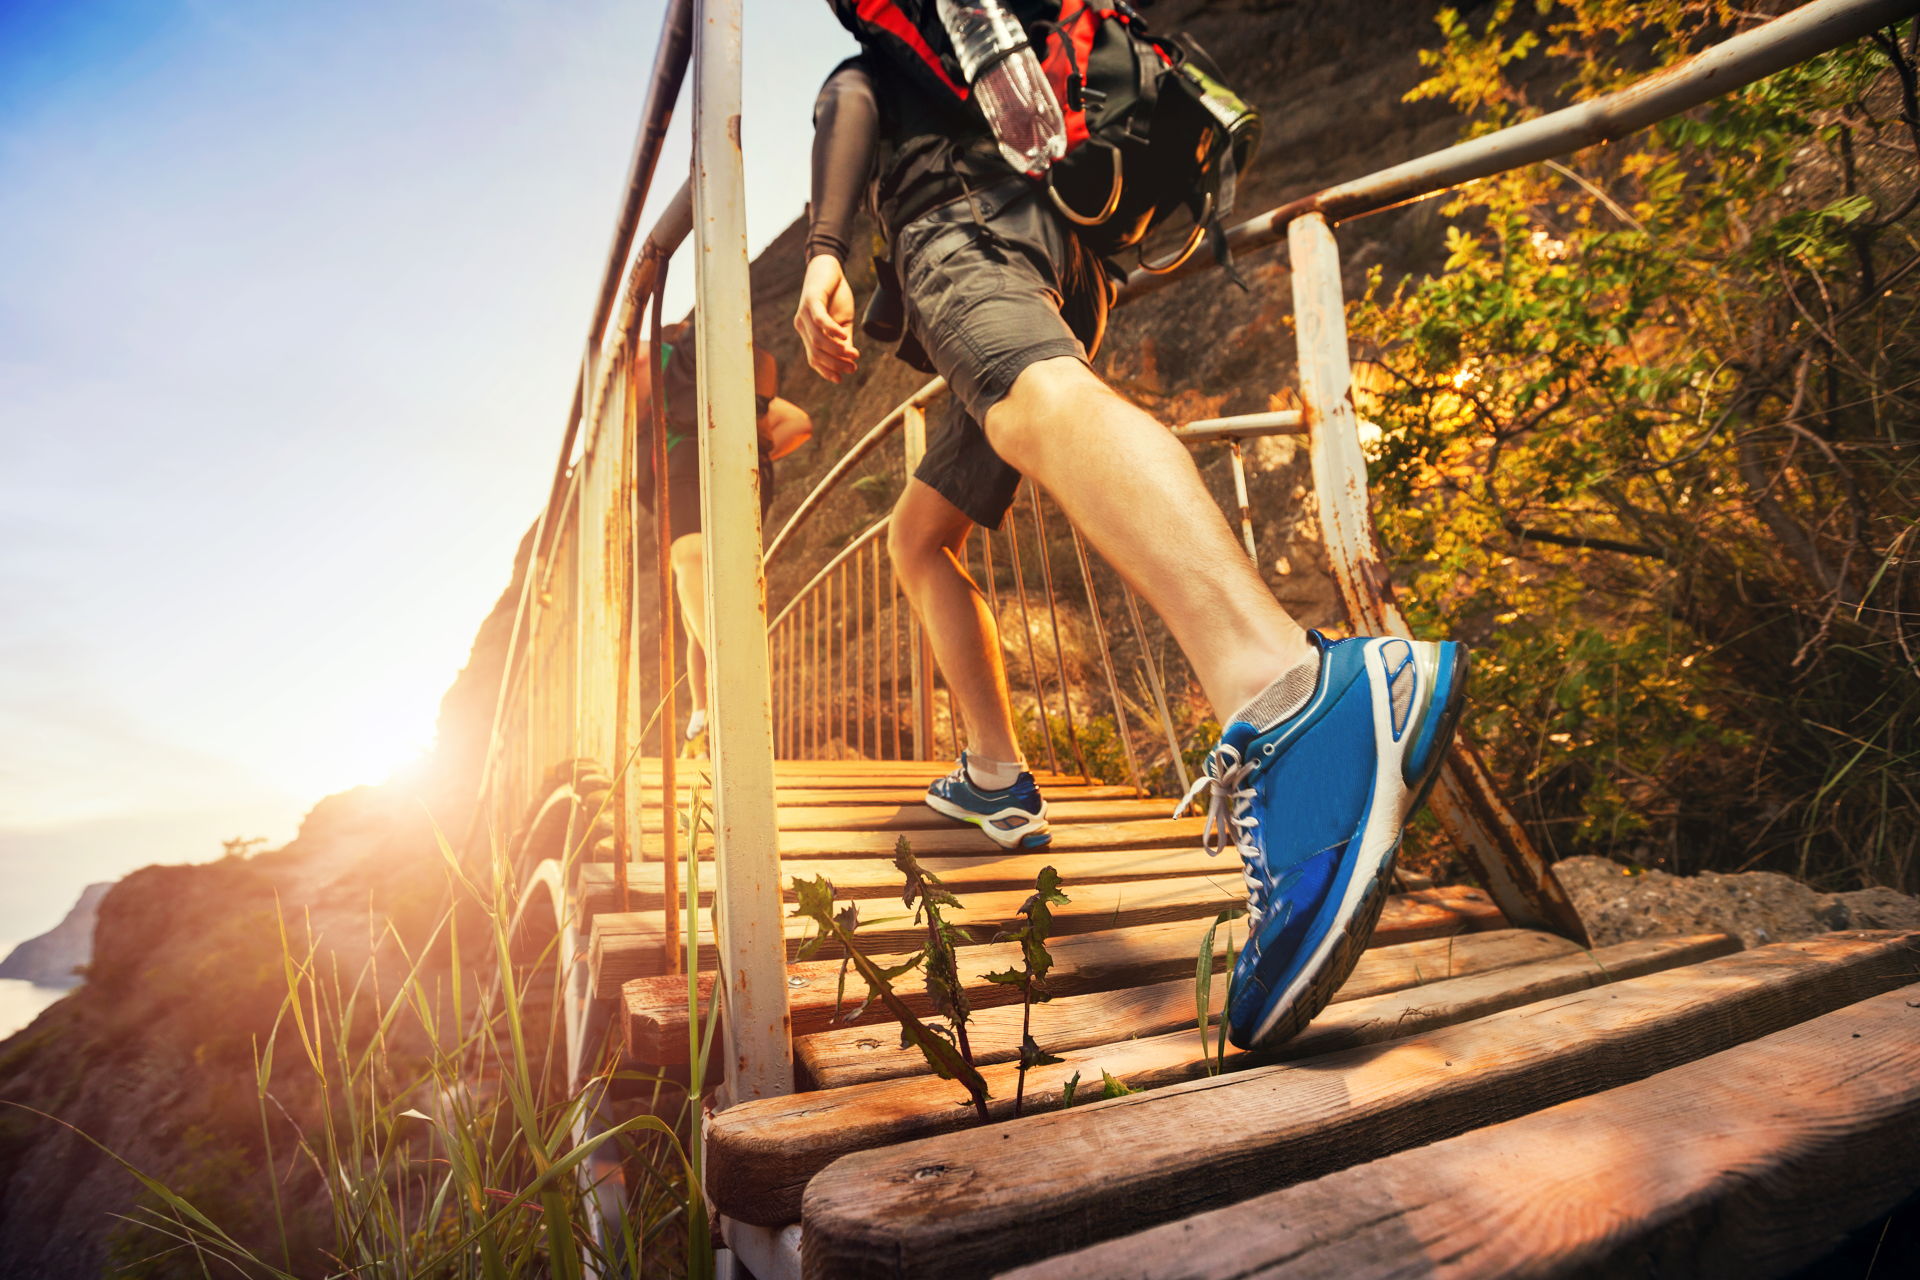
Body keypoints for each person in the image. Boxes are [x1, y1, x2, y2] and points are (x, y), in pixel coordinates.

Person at [793, 43, 1468, 1048]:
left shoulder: (883, 57)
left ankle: (1290, 693)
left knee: (1036, 400)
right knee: (919, 534)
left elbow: (848, 97)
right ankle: (995, 774)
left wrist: (823, 249)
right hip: (1065, 259)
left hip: (963, 227)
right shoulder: (991, 50)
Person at [645, 319, 813, 748]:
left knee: (692, 565)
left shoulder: (660, 361)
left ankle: (723, 698)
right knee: (712, 595)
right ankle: (707, 712)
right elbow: (799, 422)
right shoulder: (735, 385)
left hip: (686, 466)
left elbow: (633, 370)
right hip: (750, 472)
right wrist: (757, 442)